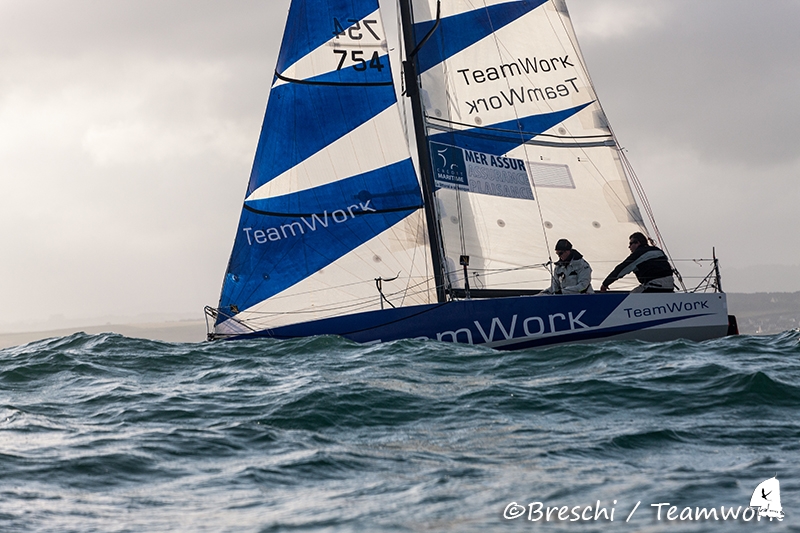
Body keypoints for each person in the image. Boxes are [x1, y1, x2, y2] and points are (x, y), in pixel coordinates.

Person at [599, 232, 674, 293]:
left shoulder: (639, 254)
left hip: (654, 286)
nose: (629, 247)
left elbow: (621, 269)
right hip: (669, 286)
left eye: (631, 243)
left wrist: (605, 284)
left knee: (628, 300)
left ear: (637, 243)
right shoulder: (657, 250)